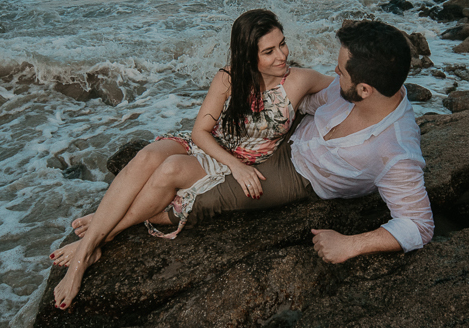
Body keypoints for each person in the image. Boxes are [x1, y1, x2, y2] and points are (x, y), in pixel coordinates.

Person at [49, 9, 332, 310]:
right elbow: (200, 132)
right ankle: (94, 240)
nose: (282, 55)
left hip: (228, 161)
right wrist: (236, 166)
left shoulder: (300, 80)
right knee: (145, 158)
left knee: (169, 170)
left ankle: (91, 245)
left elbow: (349, 89)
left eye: (282, 44)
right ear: (248, 56)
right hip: (211, 148)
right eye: (269, 51)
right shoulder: (228, 77)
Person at [169, 19, 434, 264]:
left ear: (364, 90)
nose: (334, 73)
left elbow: (419, 226)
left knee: (198, 198)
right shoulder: (354, 88)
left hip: (299, 175)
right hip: (288, 133)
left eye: (340, 72)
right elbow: (304, 102)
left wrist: (351, 244)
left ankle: (153, 214)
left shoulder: (396, 151)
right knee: (181, 158)